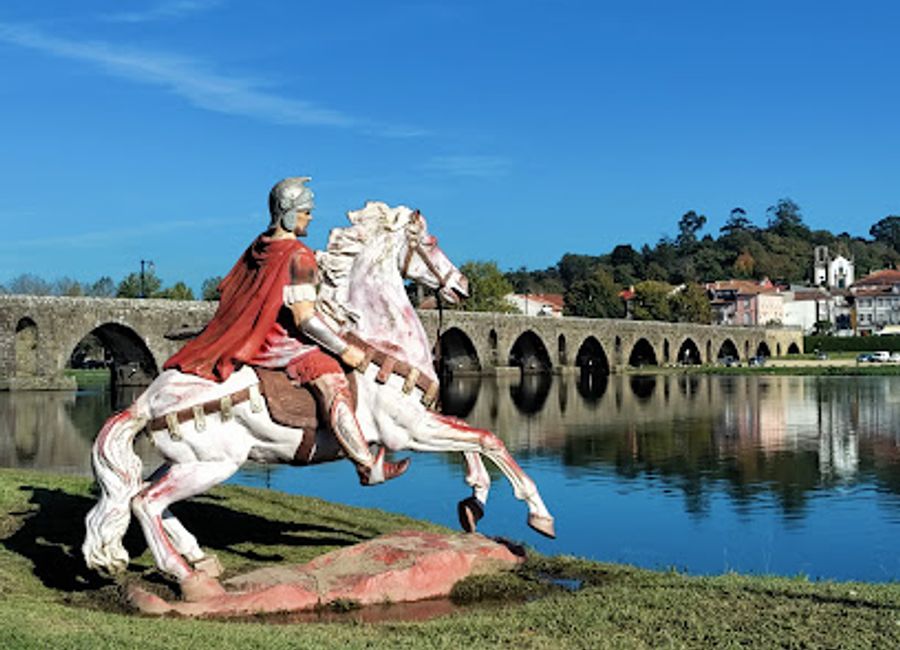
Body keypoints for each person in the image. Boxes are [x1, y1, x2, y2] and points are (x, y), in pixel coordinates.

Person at [164, 177, 409, 485]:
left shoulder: (259, 247)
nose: (311, 218)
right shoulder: (298, 255)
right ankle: (366, 464)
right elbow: (304, 319)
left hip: (258, 338)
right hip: (284, 345)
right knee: (332, 380)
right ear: (289, 212)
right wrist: (345, 349)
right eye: (306, 212)